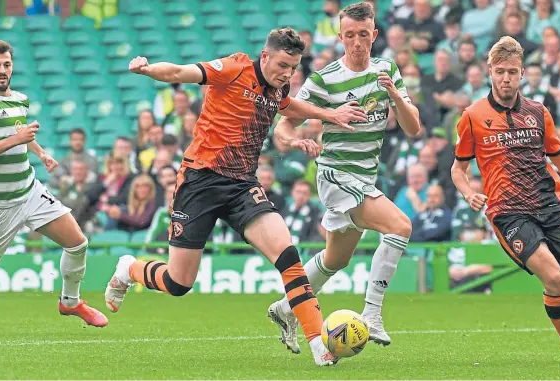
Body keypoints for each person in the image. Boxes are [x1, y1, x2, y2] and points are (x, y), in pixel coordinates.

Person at [103, 27, 367, 366]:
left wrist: (330, 115)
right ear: (265, 55)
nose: (287, 74)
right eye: (283, 65)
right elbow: (181, 73)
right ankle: (129, 269)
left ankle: (318, 343)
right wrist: (147, 68)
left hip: (242, 185)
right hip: (200, 182)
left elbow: (290, 107)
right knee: (178, 282)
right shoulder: (234, 68)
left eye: (293, 68)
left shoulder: (278, 88)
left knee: (289, 257)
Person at [267, 1, 420, 354]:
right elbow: (283, 127)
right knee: (400, 226)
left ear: (374, 35)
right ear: (339, 36)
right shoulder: (325, 79)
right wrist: (296, 140)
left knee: (336, 260)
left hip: (364, 178)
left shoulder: (388, 71)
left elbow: (413, 129)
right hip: (336, 176)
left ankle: (285, 307)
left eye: (363, 35)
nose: (356, 42)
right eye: (349, 35)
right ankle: (372, 314)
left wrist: (395, 94)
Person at [452, 36, 560, 365]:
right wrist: (468, 191)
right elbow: (458, 169)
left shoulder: (537, 112)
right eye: (500, 71)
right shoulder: (472, 116)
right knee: (552, 277)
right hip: (509, 214)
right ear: (489, 71)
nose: (506, 78)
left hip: (550, 205)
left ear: (522, 73)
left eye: (512, 72)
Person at [0, 40, 107, 326]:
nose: (2, 70)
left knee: (77, 243)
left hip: (30, 191)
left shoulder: (19, 99)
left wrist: (41, 153)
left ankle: (70, 302)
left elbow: (20, 132)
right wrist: (18, 139)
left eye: (6, 64)